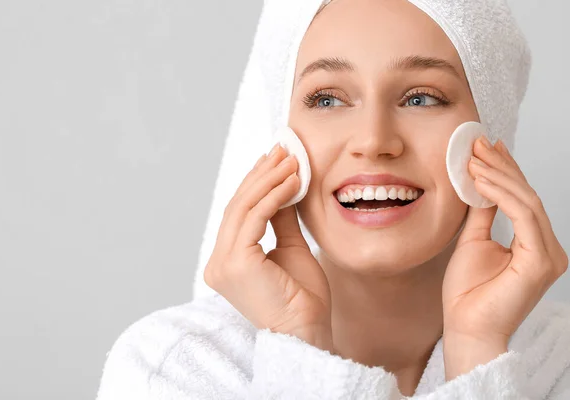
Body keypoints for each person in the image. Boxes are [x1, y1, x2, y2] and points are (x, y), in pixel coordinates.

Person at [96, 0, 570, 398]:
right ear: (283, 138)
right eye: (326, 99)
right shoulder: (174, 367)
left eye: (421, 98)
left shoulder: (557, 365)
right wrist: (297, 346)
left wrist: (476, 352)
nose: (373, 140)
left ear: (492, 130)